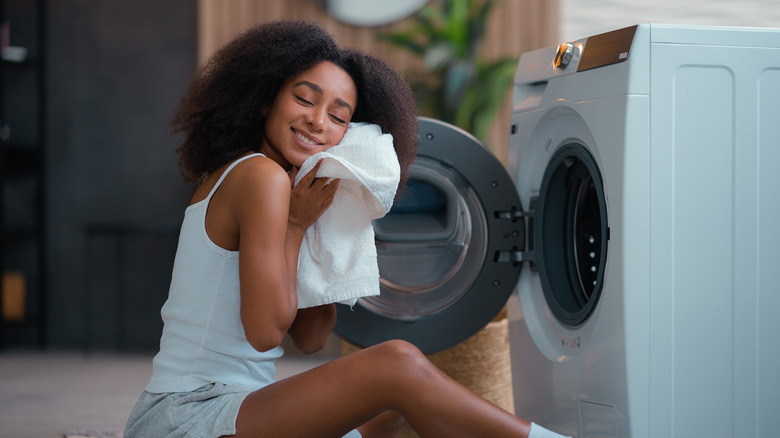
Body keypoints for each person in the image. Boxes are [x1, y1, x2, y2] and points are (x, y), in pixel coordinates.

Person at [125, 20, 569, 438]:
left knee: (395, 402)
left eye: (338, 117)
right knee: (397, 365)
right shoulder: (259, 177)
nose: (318, 121)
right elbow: (264, 333)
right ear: (265, 99)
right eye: (304, 98)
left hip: (233, 405)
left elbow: (312, 337)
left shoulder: (277, 183)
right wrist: (296, 226)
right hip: (187, 415)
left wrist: (314, 227)